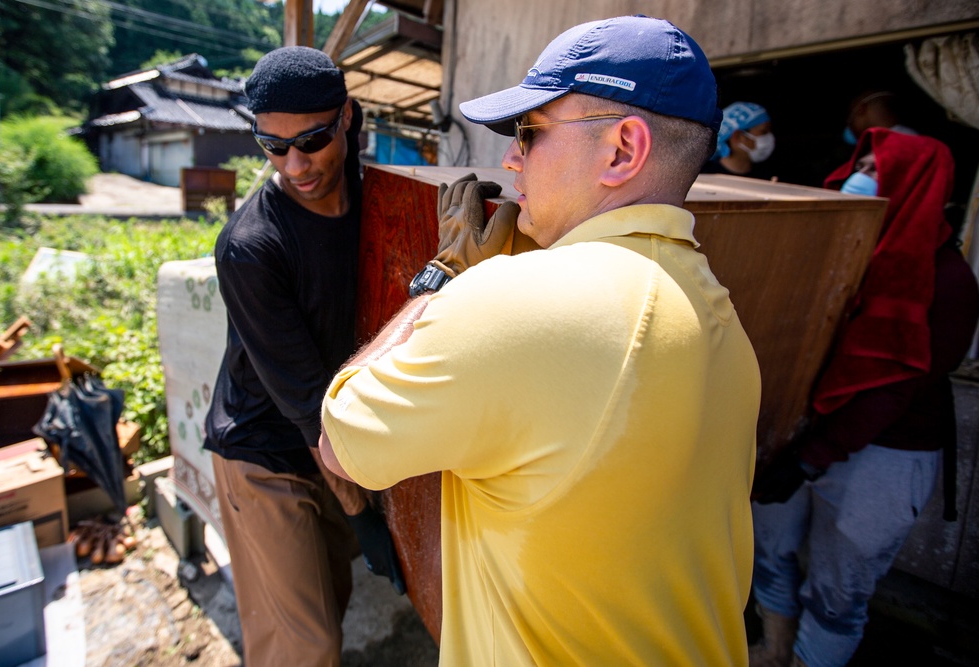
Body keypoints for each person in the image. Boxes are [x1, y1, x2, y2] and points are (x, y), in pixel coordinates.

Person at [319, 15, 761, 665]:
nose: (510, 157)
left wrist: (443, 275)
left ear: (622, 150)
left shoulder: (508, 302)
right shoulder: (723, 321)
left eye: (531, 131)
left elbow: (341, 440)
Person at [203, 46, 404, 667]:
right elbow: (310, 407)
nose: (294, 164)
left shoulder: (372, 196)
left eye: (312, 140)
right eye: (272, 147)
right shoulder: (250, 247)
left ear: (346, 117)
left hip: (329, 430)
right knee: (304, 645)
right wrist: (370, 516)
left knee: (331, 601)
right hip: (265, 449)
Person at [749, 128, 979, 667]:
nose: (860, 178)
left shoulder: (947, 281)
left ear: (915, 183)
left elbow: (897, 389)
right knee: (767, 553)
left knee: (839, 591)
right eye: (862, 165)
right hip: (800, 439)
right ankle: (774, 648)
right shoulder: (841, 256)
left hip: (884, 454)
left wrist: (810, 459)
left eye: (878, 170)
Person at [702, 101, 777, 179]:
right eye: (763, 132)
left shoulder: (767, 178)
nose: (769, 137)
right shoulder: (704, 178)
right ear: (737, 136)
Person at [842, 90, 917, 145]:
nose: (850, 128)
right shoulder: (910, 135)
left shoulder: (895, 142)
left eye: (851, 122)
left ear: (861, 109)